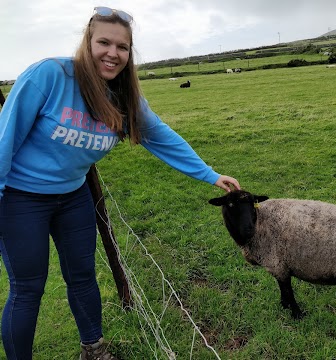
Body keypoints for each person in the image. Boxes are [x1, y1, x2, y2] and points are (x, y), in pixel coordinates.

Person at [0, 7, 240, 360]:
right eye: (104, 43)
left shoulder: (125, 97)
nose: (113, 53)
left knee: (82, 276)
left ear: (130, 54)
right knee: (28, 288)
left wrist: (209, 173)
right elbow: (5, 139)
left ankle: (93, 349)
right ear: (88, 41)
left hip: (73, 196)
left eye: (123, 47)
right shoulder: (50, 76)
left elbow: (162, 137)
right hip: (22, 198)